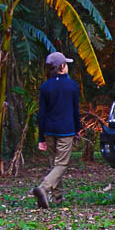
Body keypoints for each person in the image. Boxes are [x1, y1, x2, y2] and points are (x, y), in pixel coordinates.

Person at [32, 51, 82, 208]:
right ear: (62, 66)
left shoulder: (45, 87)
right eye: (66, 64)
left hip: (49, 130)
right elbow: (75, 111)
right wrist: (78, 129)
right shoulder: (72, 86)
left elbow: (42, 113)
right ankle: (44, 188)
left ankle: (57, 198)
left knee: (55, 164)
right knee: (61, 164)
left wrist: (41, 137)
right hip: (66, 130)